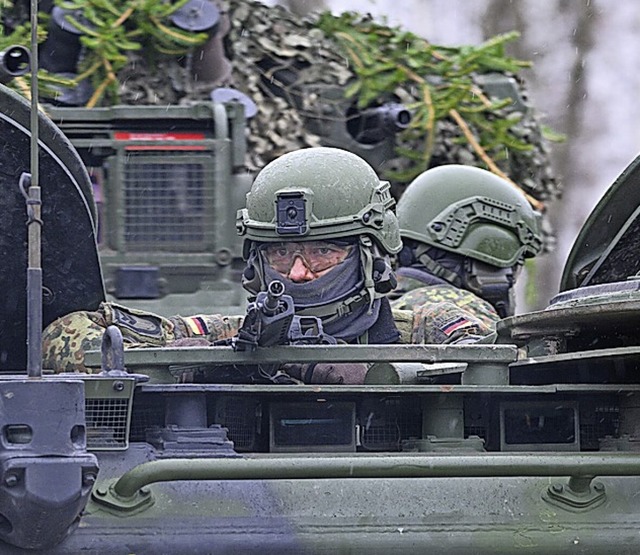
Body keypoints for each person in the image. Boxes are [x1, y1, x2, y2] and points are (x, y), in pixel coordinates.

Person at [42, 147, 404, 383]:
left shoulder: (420, 328)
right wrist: (201, 360)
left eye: (322, 251)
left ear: (370, 256)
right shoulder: (227, 333)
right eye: (279, 254)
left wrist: (379, 373)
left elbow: (459, 340)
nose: (296, 272)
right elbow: (63, 333)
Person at [389, 164, 543, 344]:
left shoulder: (378, 311)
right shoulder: (460, 308)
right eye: (514, 264)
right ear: (486, 262)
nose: (511, 277)